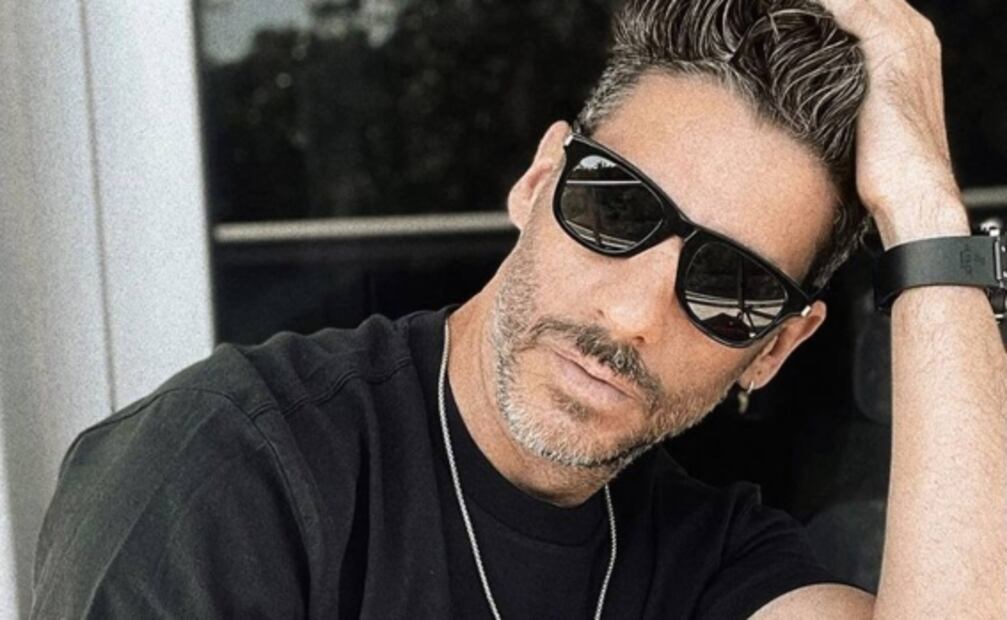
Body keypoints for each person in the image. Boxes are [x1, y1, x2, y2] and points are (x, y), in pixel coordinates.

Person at [31, 0, 1006, 618]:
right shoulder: (229, 473)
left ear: (774, 349)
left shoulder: (711, 563)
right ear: (540, 180)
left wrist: (928, 216)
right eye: (616, 209)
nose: (633, 314)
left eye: (730, 287)